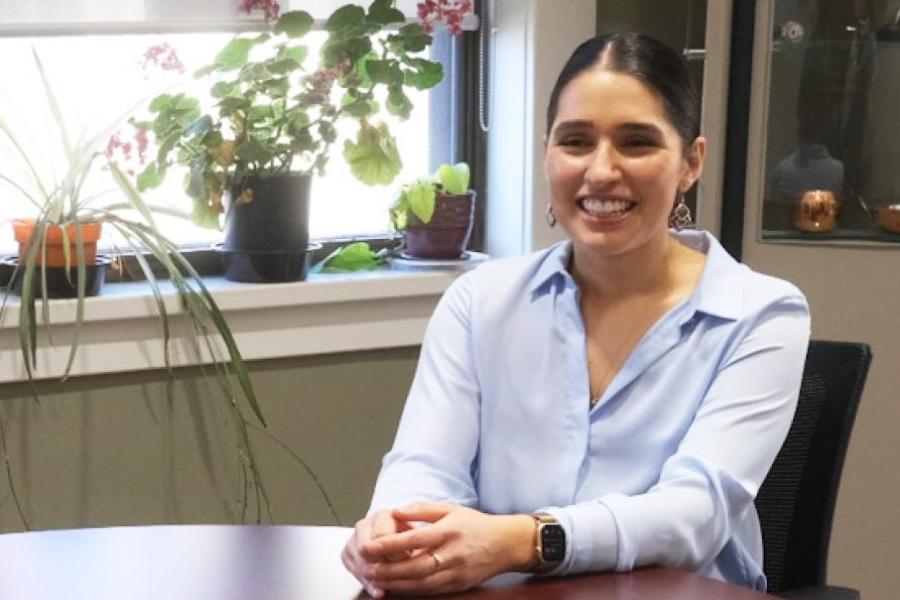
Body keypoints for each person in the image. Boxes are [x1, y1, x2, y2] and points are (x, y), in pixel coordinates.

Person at [342, 32, 810, 597]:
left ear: (691, 162)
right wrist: (395, 532)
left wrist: (523, 541)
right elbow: (424, 466)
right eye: (576, 142)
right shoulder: (478, 301)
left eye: (636, 143)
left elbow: (694, 515)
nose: (601, 171)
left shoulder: (761, 314)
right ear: (547, 154)